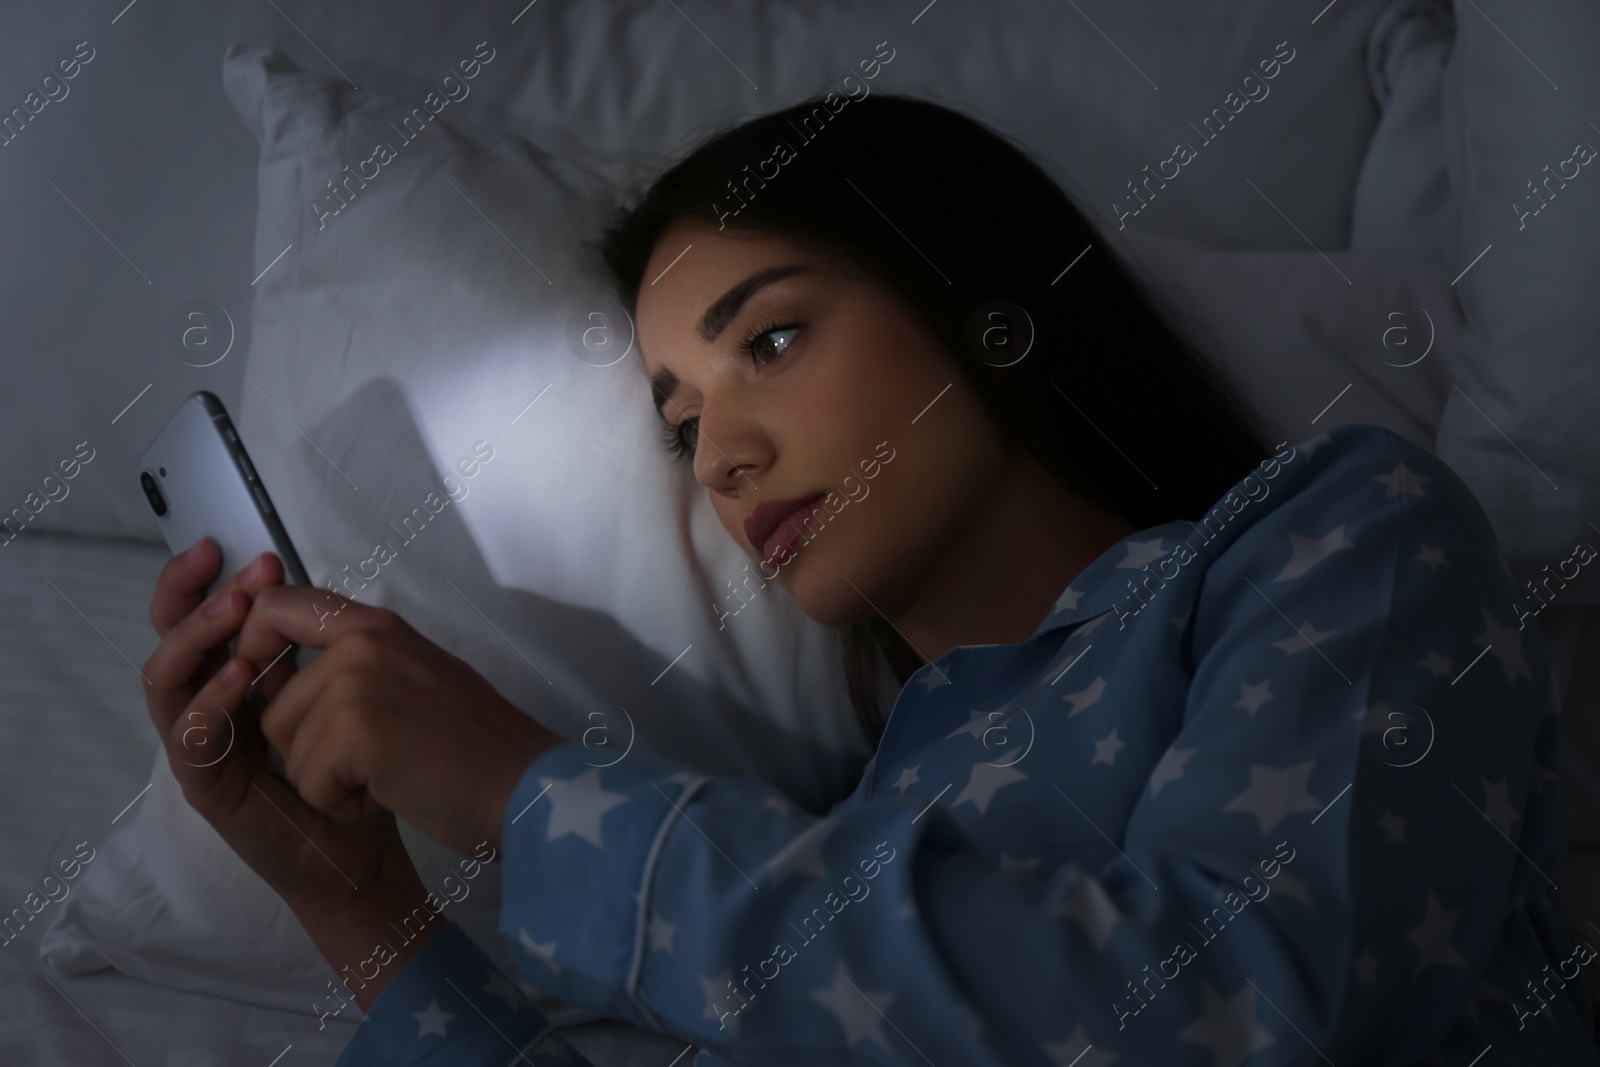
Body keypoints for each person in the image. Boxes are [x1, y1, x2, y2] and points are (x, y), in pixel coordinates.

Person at [141, 94, 1600, 1065]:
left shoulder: (1352, 538)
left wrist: (528, 796)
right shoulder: (859, 833)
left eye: (768, 342)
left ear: (992, 310)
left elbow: (1238, 1010)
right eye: (681, 422)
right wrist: (358, 910)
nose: (719, 456)